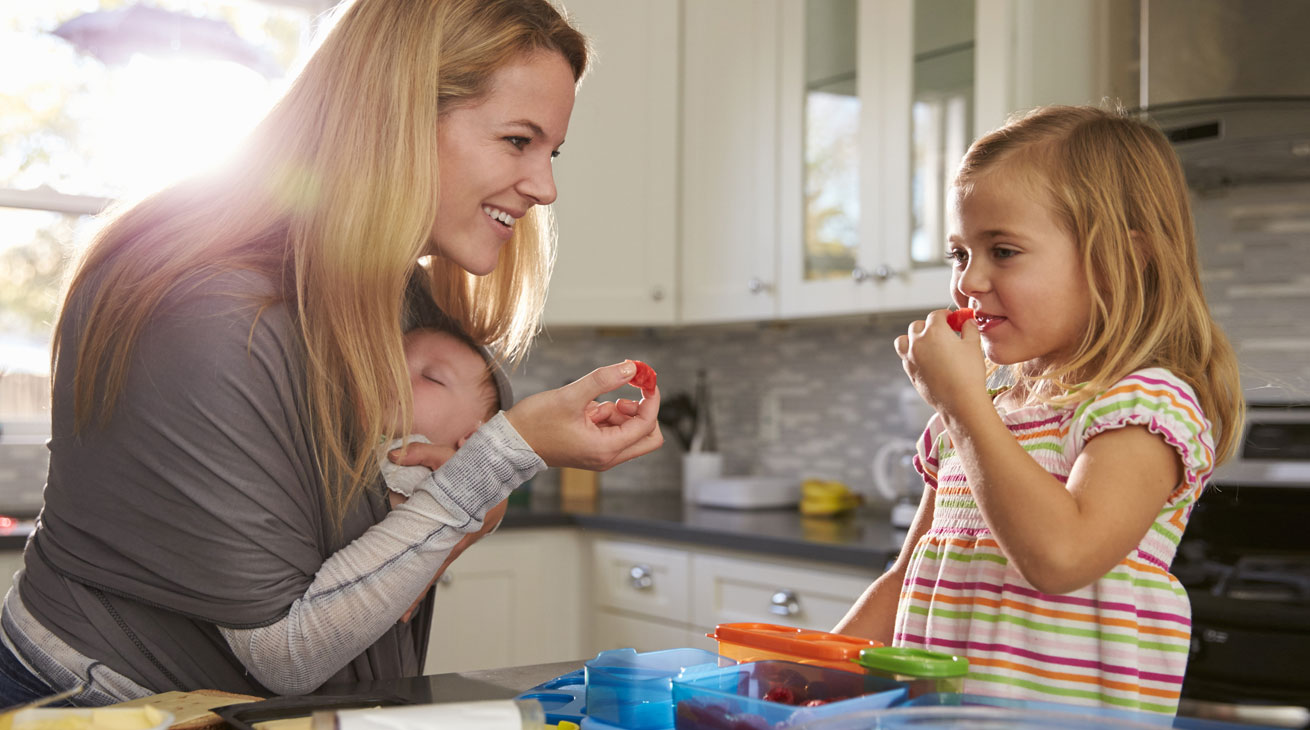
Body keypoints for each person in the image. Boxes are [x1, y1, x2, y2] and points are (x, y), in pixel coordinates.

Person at [0, 0, 662, 706]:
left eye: (550, 150)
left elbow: (439, 500)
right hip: (95, 706)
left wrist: (473, 485)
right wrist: (500, 459)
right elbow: (285, 653)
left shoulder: (397, 292)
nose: (545, 187)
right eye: (516, 141)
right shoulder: (210, 311)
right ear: (398, 115)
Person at [834, 105, 1244, 715]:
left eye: (1002, 250)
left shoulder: (1141, 405)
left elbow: (1063, 557)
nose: (968, 282)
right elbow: (905, 576)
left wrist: (964, 408)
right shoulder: (974, 416)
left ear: (1119, 261)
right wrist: (805, 676)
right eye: (959, 254)